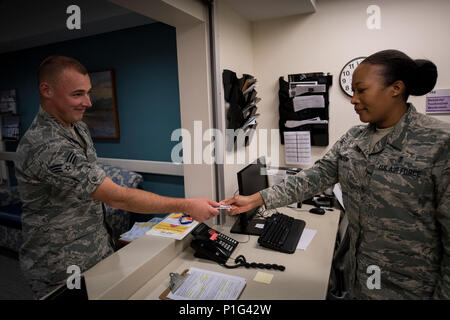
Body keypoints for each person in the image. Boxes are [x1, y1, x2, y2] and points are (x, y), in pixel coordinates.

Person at [223, 49, 449, 299]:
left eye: (361, 90)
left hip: (411, 289)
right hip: (358, 278)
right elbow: (315, 177)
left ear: (395, 88)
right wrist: (255, 199)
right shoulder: (353, 138)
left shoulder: (439, 143)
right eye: (353, 91)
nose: (353, 99)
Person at [15, 55, 220, 299]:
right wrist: (185, 205)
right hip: (61, 265)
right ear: (46, 90)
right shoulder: (46, 144)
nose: (88, 102)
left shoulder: (76, 127)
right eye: (77, 94)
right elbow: (117, 198)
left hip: (96, 250)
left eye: (88, 92)